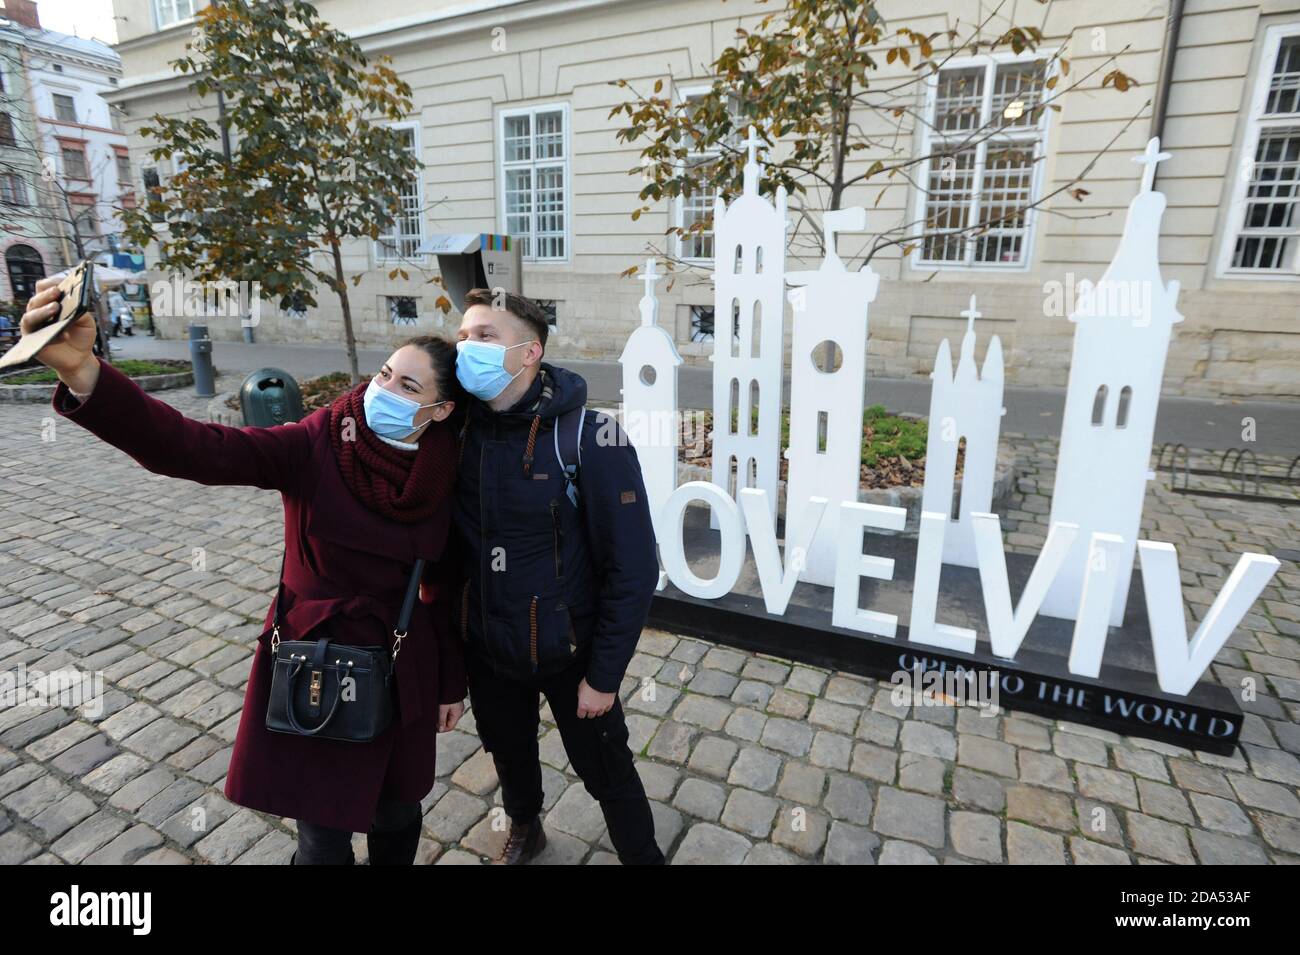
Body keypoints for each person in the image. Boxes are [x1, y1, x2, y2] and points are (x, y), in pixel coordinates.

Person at [18, 276, 468, 865]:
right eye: (384, 373)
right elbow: (194, 447)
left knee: (398, 810)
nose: (383, 388)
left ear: (440, 409)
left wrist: (449, 685)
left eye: (408, 385)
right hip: (315, 660)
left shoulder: (447, 474)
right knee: (321, 833)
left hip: (403, 663)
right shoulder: (320, 440)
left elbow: (445, 588)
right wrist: (85, 374)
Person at [452, 287, 665, 865]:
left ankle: (642, 855)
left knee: (608, 770)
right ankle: (526, 825)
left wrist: (605, 674)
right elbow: (445, 554)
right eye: (464, 336)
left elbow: (634, 566)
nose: (467, 346)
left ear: (529, 353)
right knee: (508, 751)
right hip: (489, 646)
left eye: (485, 336)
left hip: (571, 650)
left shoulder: (591, 437)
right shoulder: (457, 433)